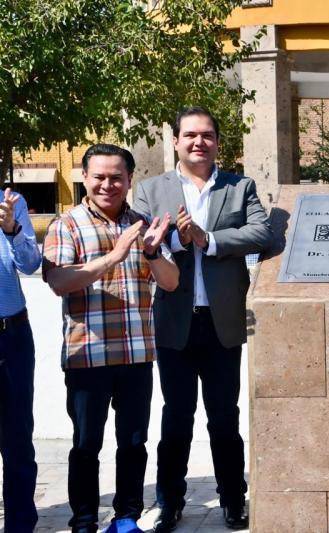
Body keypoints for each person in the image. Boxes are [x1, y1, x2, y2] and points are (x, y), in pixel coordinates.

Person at [133, 107, 272, 531]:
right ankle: (169, 502)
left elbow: (261, 232)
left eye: (207, 135)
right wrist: (177, 237)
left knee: (224, 417)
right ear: (174, 140)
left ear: (217, 143)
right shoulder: (150, 189)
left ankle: (233, 499)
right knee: (176, 416)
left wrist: (207, 239)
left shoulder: (239, 186)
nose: (199, 142)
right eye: (190, 135)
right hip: (174, 319)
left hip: (222, 320)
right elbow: (142, 237)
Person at [42, 144, 178, 533]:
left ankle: (126, 518)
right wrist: (113, 257)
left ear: (129, 180)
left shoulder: (143, 224)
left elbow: (171, 281)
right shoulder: (66, 225)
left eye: (116, 177)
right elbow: (58, 281)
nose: (107, 184)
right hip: (88, 356)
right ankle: (84, 521)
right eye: (99, 176)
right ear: (84, 178)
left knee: (133, 444)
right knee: (86, 446)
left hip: (136, 354)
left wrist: (151, 253)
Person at [0, 187, 41, 532]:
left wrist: (12, 229)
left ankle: (20, 524)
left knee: (17, 437)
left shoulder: (12, 202)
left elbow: (30, 264)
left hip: (11, 334)